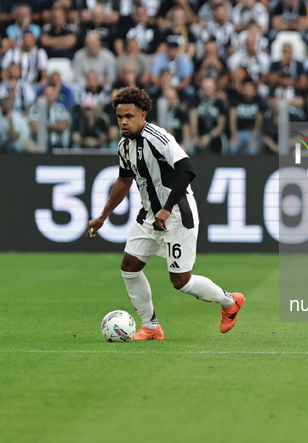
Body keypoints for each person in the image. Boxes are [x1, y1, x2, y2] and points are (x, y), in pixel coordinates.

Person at [84, 87, 245, 340]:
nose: (123, 121)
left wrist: (167, 208)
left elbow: (187, 170)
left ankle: (229, 302)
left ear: (143, 115)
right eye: (119, 117)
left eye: (129, 116)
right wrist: (103, 215)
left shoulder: (158, 137)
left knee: (181, 281)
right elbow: (124, 180)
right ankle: (151, 326)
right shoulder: (124, 145)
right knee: (129, 267)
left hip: (177, 214)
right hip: (149, 216)